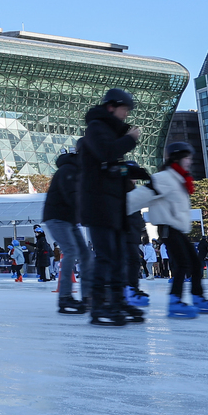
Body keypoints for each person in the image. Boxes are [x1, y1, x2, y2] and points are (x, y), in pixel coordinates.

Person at [78, 88, 142, 326]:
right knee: (106, 257)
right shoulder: (96, 128)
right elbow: (105, 153)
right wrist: (129, 139)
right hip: (98, 205)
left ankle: (116, 300)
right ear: (111, 107)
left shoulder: (107, 132)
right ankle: (98, 307)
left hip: (111, 205)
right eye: (124, 109)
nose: (126, 115)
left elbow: (110, 167)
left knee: (117, 257)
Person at [145, 141, 208, 319]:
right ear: (177, 158)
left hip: (177, 228)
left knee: (194, 263)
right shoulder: (164, 178)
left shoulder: (180, 179)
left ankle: (197, 297)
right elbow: (142, 195)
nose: (190, 161)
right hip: (167, 228)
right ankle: (175, 301)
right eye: (187, 157)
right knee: (182, 264)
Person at [42, 147, 87, 313]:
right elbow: (73, 196)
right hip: (57, 218)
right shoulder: (68, 170)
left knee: (85, 254)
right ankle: (65, 297)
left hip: (69, 220)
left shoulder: (77, 171)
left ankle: (88, 296)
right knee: (71, 251)